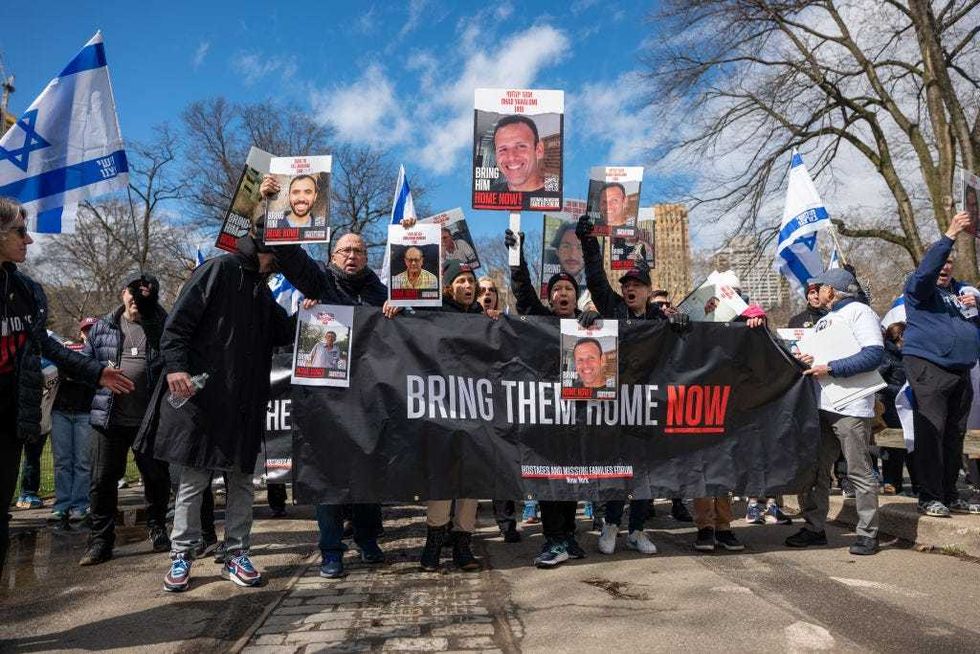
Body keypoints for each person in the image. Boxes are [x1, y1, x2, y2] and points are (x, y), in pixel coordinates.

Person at [135, 227, 295, 592]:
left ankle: (236, 553)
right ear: (266, 247)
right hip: (206, 399)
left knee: (242, 480)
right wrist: (176, 366)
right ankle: (182, 554)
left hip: (245, 400)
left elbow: (282, 332)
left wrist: (310, 315)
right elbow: (176, 326)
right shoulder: (218, 270)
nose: (284, 262)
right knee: (194, 479)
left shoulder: (261, 288)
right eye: (283, 253)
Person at [1, 197, 134, 576]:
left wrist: (95, 372)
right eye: (20, 232)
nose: (28, 240)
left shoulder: (26, 291)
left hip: (11, 415)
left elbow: (45, 345)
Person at [265, 230, 388, 579]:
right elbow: (292, 258)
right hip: (325, 404)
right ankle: (331, 551)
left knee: (367, 476)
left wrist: (397, 311)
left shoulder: (381, 292)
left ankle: (367, 540)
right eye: (345, 250)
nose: (353, 255)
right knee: (327, 479)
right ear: (333, 256)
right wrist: (274, 217)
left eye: (360, 250)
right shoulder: (320, 285)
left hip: (368, 400)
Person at [575, 214, 688, 556]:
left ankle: (637, 530)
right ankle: (610, 525)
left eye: (636, 285)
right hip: (614, 406)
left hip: (648, 406)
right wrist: (587, 240)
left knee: (644, 472)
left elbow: (686, 345)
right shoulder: (612, 309)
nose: (629, 289)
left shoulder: (658, 318)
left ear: (648, 290)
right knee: (616, 469)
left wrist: (683, 322)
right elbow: (595, 276)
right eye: (625, 285)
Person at [404, 259, 498, 573]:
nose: (469, 287)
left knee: (471, 479)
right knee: (442, 478)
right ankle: (434, 540)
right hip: (441, 409)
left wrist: (497, 324)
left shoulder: (483, 319)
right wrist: (394, 309)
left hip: (474, 410)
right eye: (461, 281)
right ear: (448, 286)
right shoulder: (432, 314)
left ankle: (462, 543)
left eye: (471, 282)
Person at [78, 273, 174, 566]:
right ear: (122, 294)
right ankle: (100, 541)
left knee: (157, 478)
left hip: (150, 420)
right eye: (131, 292)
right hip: (109, 419)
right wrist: (98, 378)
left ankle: (157, 527)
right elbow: (84, 364)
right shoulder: (102, 328)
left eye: (143, 293)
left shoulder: (164, 327)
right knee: (102, 480)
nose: (135, 298)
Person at [506, 228, 588, 567]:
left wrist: (594, 324)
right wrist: (517, 255)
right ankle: (554, 539)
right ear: (550, 298)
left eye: (569, 288)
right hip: (546, 413)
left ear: (576, 296)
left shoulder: (588, 325)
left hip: (578, 415)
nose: (563, 294)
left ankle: (568, 536)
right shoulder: (539, 320)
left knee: (571, 478)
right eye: (557, 290)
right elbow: (523, 292)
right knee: (551, 479)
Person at [786, 268, 883, 556]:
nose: (818, 292)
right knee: (816, 470)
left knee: (858, 470)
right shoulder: (826, 321)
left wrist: (831, 368)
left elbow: (874, 354)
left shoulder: (859, 312)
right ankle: (814, 527)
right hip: (822, 404)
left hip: (850, 405)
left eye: (822, 286)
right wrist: (807, 359)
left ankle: (868, 534)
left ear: (834, 289)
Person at [902, 211, 980, 517]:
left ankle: (949, 493)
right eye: (941, 263)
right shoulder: (919, 290)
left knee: (954, 434)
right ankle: (929, 495)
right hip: (929, 367)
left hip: (961, 369)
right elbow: (926, 273)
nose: (945, 269)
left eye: (950, 264)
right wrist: (949, 235)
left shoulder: (962, 295)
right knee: (931, 431)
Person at [48, 318, 98, 525]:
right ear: (80, 334)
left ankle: (79, 504)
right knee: (62, 461)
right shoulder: (65, 352)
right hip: (60, 412)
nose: (88, 334)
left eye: (92, 330)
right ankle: (61, 505)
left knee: (83, 462)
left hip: (85, 413)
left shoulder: (99, 356)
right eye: (85, 331)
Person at [878, 322, 916, 495]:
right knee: (893, 446)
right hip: (892, 406)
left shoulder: (911, 354)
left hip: (911, 405)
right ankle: (891, 482)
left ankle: (919, 484)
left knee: (913, 445)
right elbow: (877, 382)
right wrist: (900, 391)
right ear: (901, 336)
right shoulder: (887, 356)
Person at [489, 114, 545, 193]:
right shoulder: (491, 192)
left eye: (521, 146)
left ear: (539, 150)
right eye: (503, 149)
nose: (511, 157)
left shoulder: (558, 190)